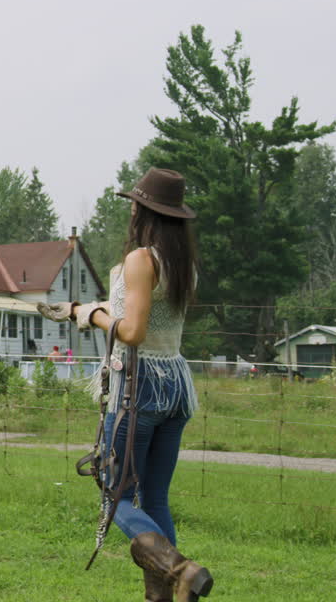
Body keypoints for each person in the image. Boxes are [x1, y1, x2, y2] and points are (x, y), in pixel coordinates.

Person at [38, 168, 212, 601]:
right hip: (175, 386)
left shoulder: (141, 259)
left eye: (135, 204)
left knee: (115, 498)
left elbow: (132, 331)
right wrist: (94, 305)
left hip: (139, 388)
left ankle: (180, 569)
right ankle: (164, 595)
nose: (131, 210)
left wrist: (89, 315)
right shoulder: (182, 264)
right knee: (154, 500)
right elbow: (145, 316)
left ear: (145, 211)